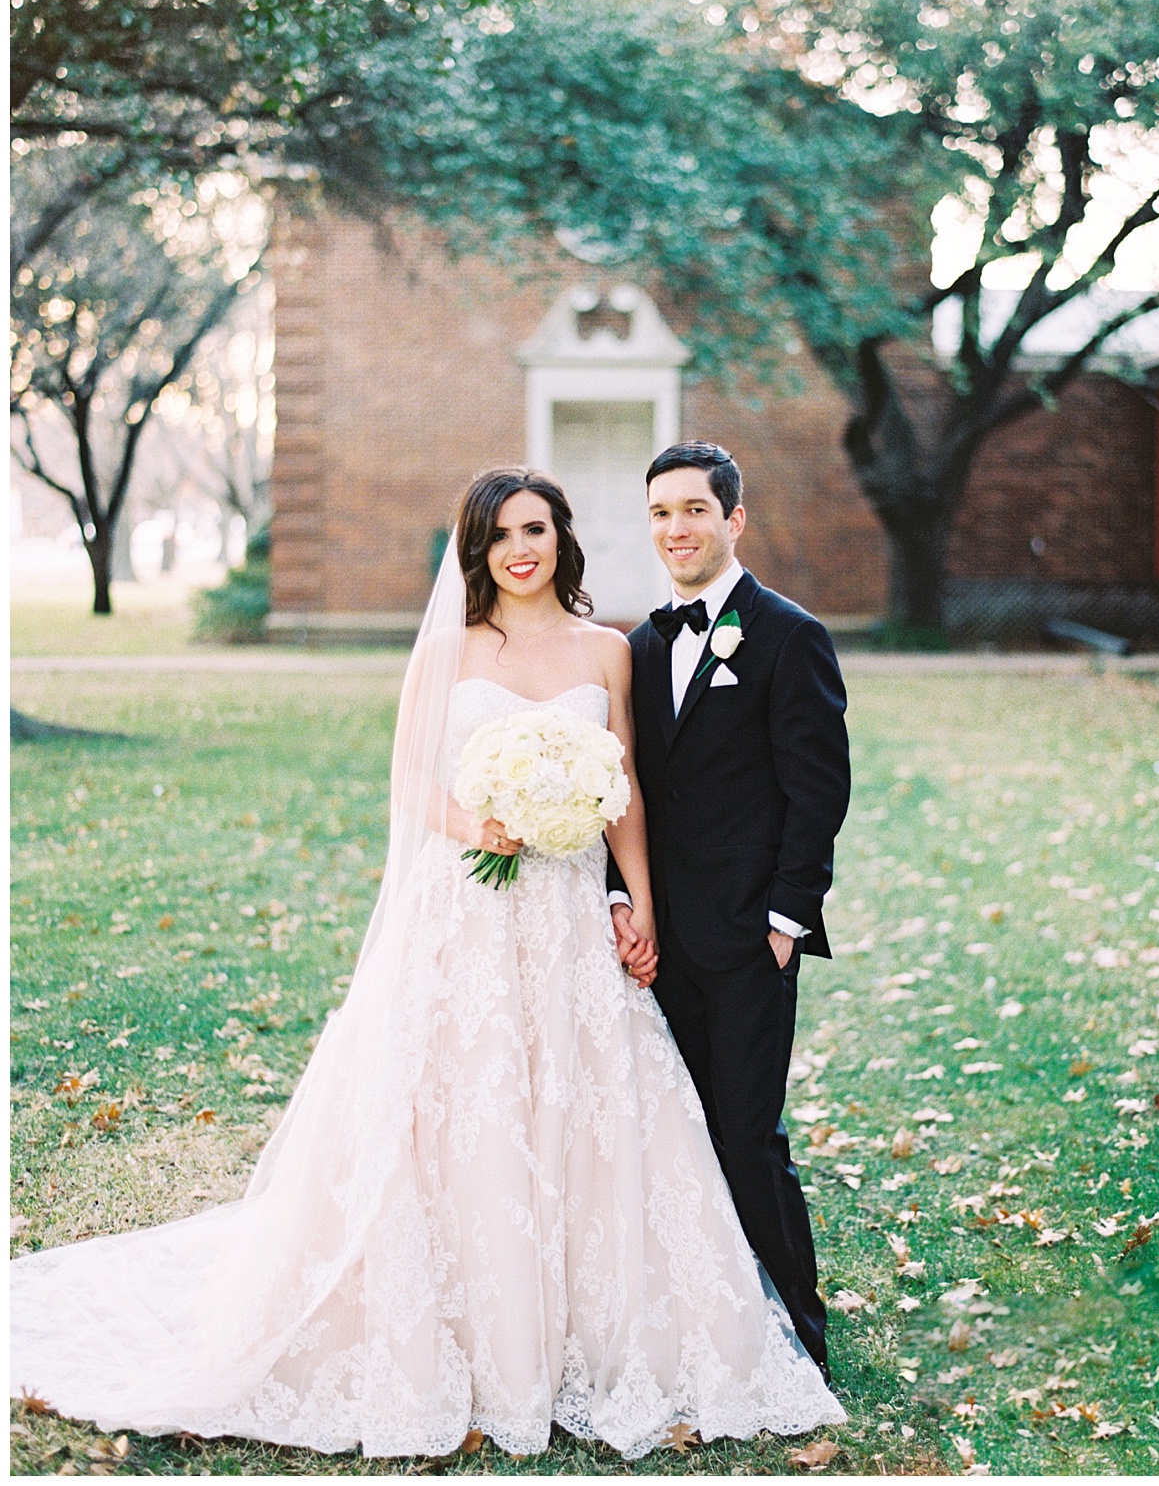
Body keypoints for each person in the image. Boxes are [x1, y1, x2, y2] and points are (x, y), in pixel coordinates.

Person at [10, 466, 844, 1461]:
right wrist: (483, 821)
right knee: (459, 1114)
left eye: (534, 529)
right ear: (478, 551)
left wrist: (639, 908)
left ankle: (601, 1326)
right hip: (468, 912)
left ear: (561, 538)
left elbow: (625, 795)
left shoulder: (607, 651)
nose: (519, 550)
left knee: (585, 1116)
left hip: (572, 920)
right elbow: (411, 781)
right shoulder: (448, 651)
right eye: (500, 536)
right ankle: (456, 1328)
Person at [608, 442, 851, 1385]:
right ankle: (696, 1325)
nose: (678, 529)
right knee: (672, 1138)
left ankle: (798, 1328)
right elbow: (627, 792)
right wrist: (625, 902)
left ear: (733, 520)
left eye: (696, 511)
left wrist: (788, 919)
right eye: (663, 513)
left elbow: (817, 791)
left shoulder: (790, 637)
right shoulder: (638, 645)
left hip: (752, 941)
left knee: (747, 1138)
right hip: (657, 944)